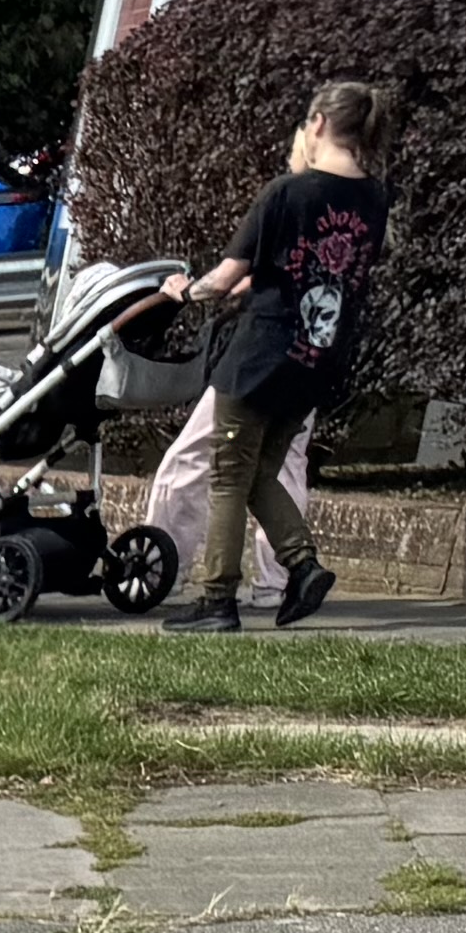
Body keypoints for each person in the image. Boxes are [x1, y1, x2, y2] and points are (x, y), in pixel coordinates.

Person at [160, 80, 393, 633]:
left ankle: (217, 599)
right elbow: (310, 270)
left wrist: (181, 290)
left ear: (316, 124)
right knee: (264, 469)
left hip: (259, 356)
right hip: (318, 358)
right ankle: (303, 566)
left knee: (228, 476)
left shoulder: (288, 193)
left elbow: (225, 278)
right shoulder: (376, 199)